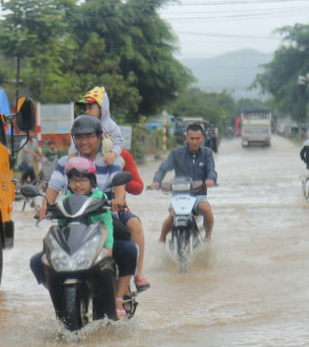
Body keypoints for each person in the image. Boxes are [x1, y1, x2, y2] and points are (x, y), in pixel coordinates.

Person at [36, 115, 137, 317]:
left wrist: (117, 199)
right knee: (39, 261)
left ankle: (120, 296)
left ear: (99, 137)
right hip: (71, 219)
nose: (84, 141)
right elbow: (53, 188)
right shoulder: (65, 162)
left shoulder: (110, 160)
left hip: (102, 214)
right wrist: (44, 206)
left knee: (127, 247)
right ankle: (60, 294)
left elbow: (120, 188)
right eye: (79, 137)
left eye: (89, 136)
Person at [150, 122, 217, 242]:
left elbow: (211, 170)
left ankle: (208, 237)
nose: (195, 142)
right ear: (186, 138)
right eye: (192, 138)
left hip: (198, 196)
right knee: (171, 217)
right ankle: (162, 240)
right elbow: (163, 169)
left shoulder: (207, 153)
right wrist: (156, 181)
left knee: (207, 209)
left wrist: (211, 179)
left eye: (197, 138)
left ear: (202, 138)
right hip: (179, 196)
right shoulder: (176, 154)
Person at [118, 147, 150, 292]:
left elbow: (138, 187)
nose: (85, 141)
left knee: (134, 224)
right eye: (81, 136)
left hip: (115, 210)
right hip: (83, 210)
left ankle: (138, 273)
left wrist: (122, 181)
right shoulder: (77, 157)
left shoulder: (121, 156)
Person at [67, 86, 124, 165]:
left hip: (106, 162)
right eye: (85, 108)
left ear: (102, 108)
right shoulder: (82, 125)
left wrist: (114, 154)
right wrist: (72, 154)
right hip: (85, 161)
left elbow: (119, 142)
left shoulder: (110, 125)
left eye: (90, 108)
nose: (87, 111)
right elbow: (74, 142)